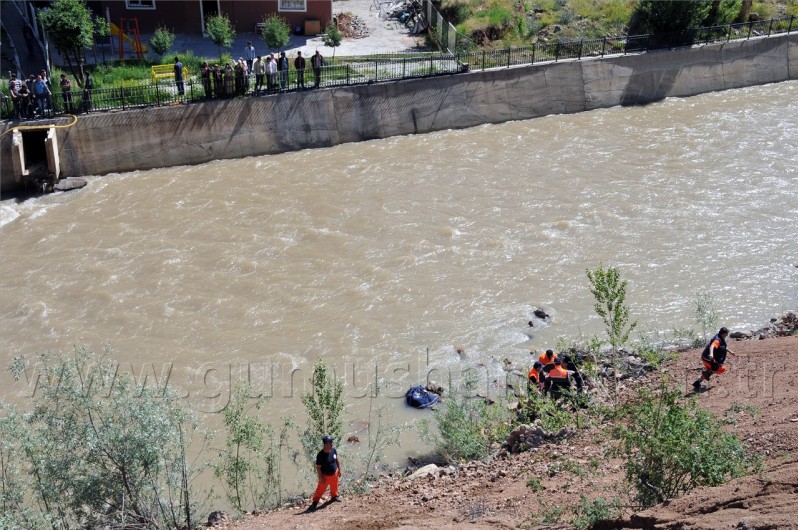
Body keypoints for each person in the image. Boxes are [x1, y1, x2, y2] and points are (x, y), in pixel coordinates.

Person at [693, 327, 735, 391]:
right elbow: (712, 346)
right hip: (708, 359)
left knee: (709, 371)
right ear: (723, 333)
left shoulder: (720, 337)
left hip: (706, 358)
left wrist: (730, 352)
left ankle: (697, 383)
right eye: (726, 334)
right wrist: (712, 354)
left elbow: (722, 347)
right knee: (722, 369)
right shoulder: (717, 340)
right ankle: (708, 372)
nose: (727, 335)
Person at [309, 435, 342, 512]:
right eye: (330, 442)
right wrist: (321, 478)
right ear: (326, 444)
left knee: (334, 486)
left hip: (335, 473)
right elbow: (318, 467)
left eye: (331, 442)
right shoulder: (320, 455)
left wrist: (339, 469)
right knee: (320, 490)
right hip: (325, 476)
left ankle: (334, 497)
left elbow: (336, 459)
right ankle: (315, 503)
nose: (332, 444)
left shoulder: (333, 450)